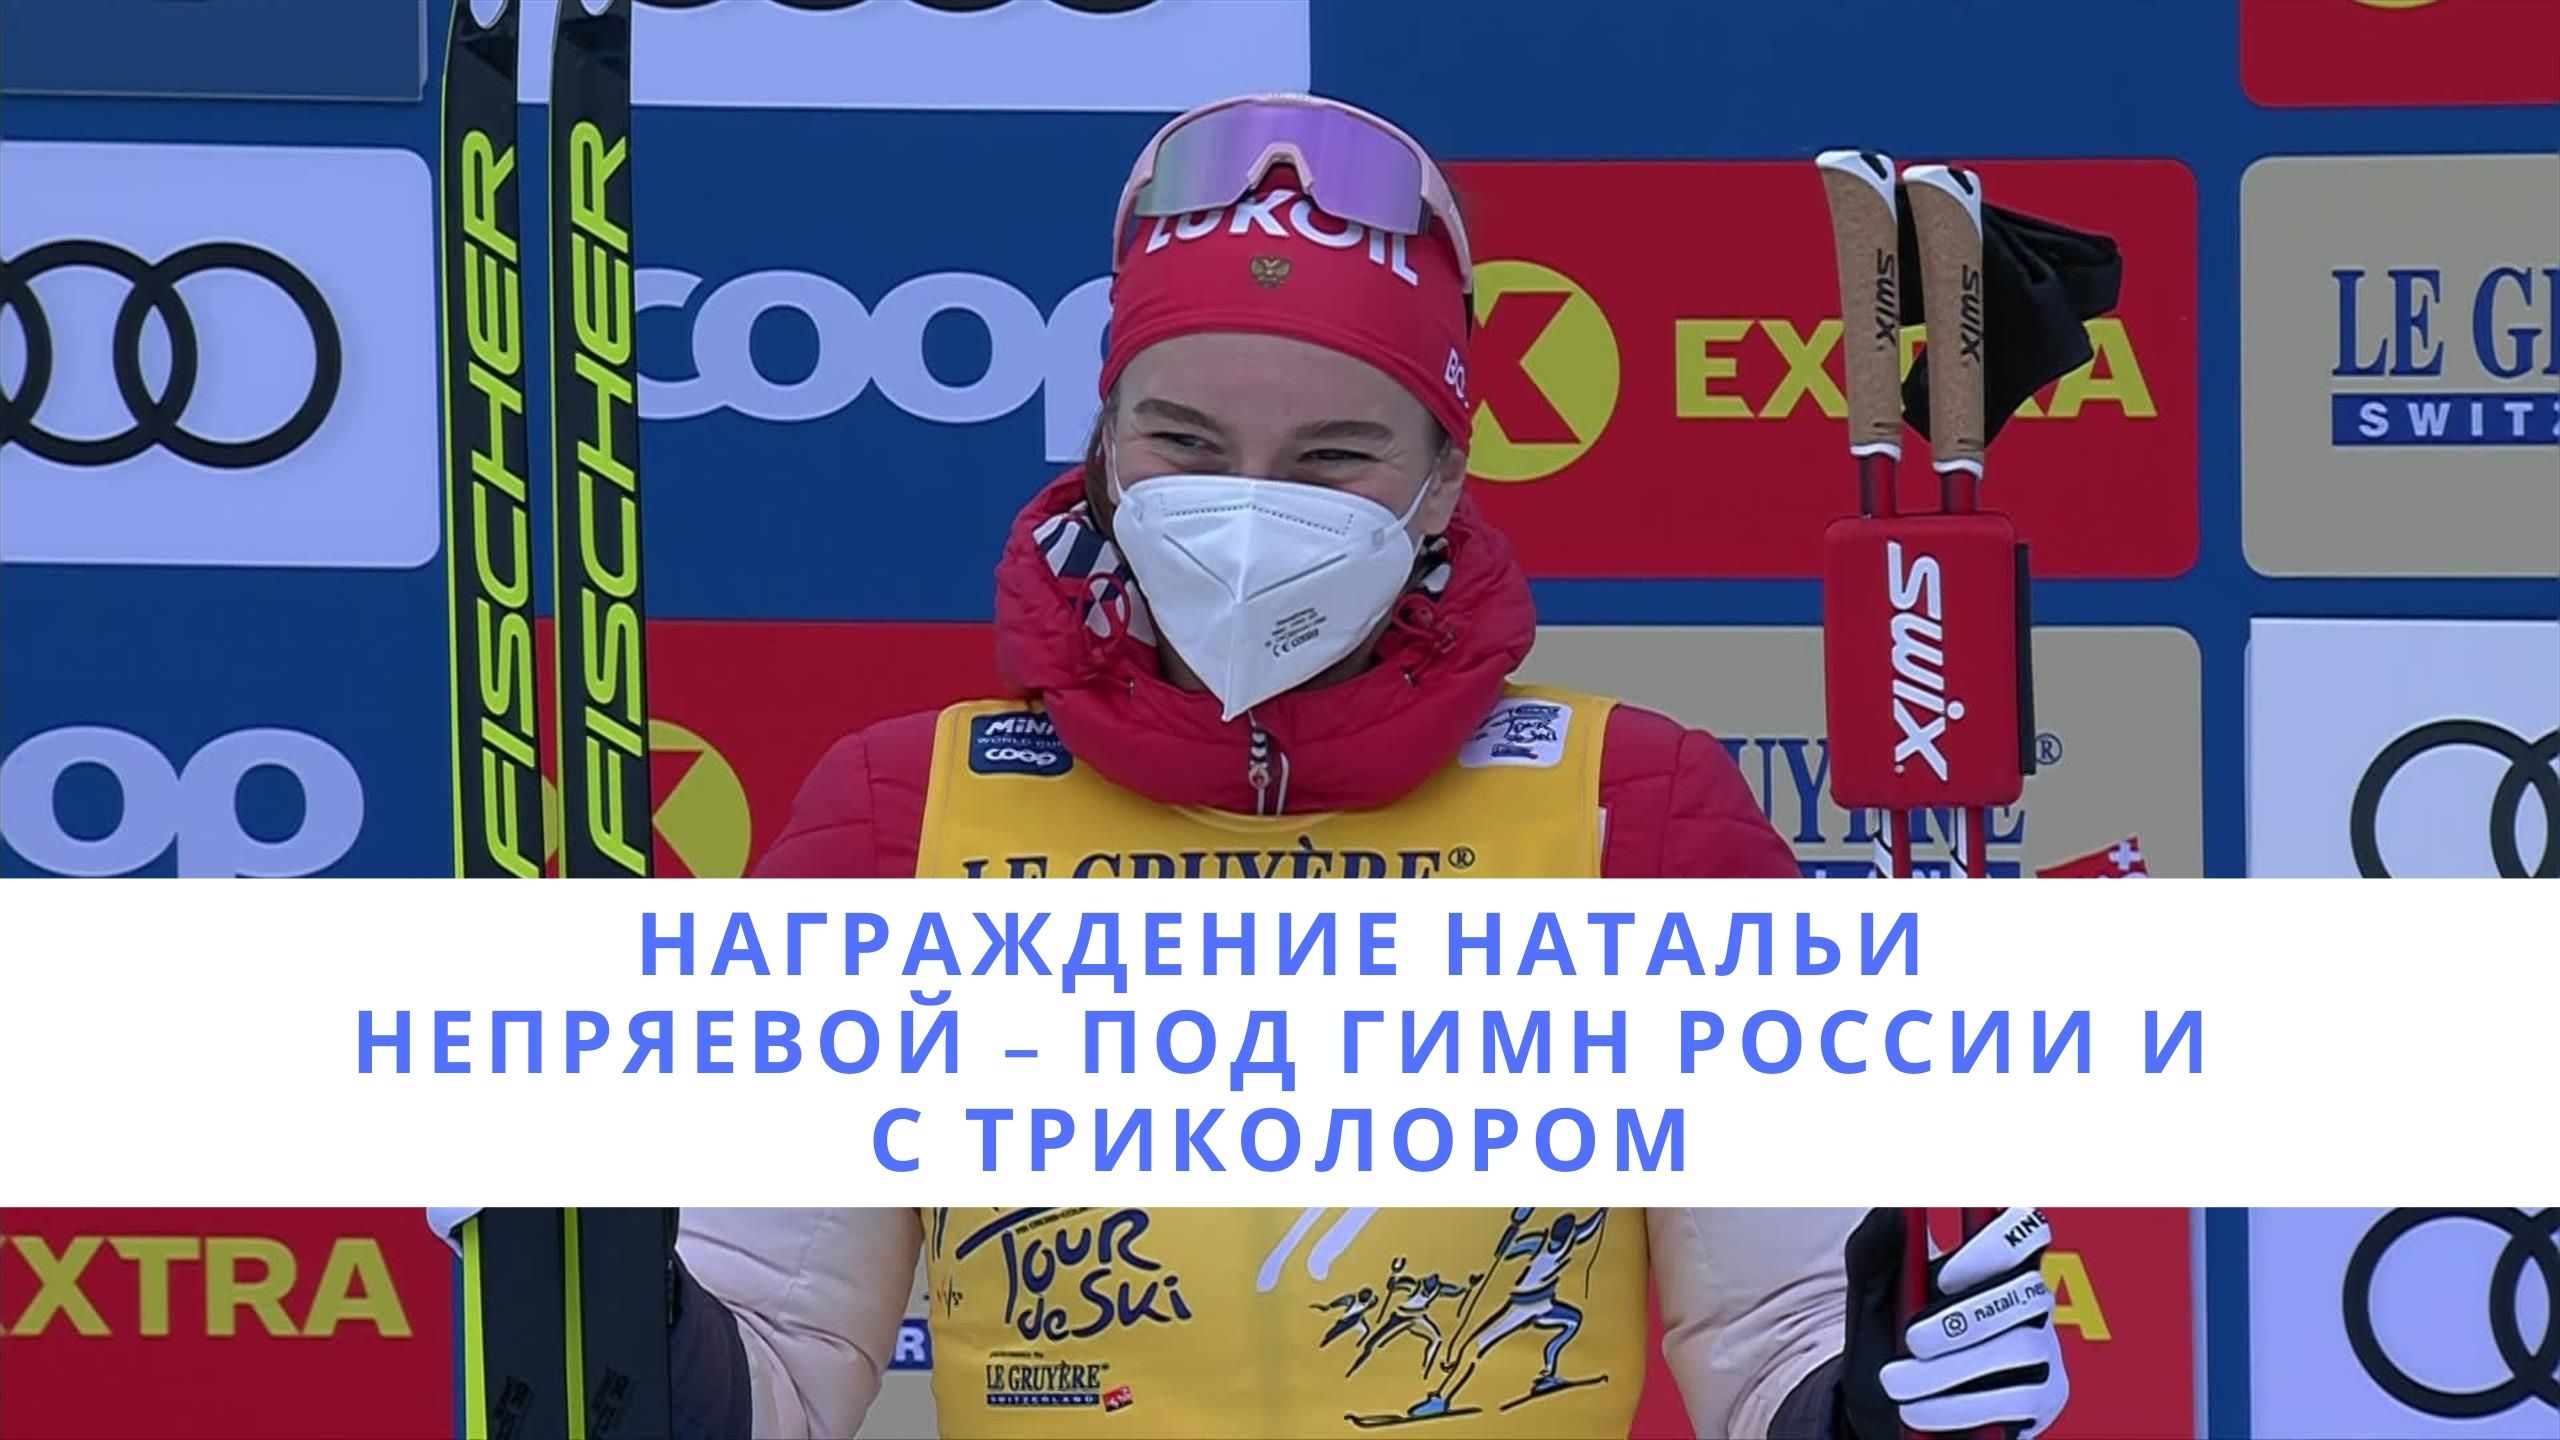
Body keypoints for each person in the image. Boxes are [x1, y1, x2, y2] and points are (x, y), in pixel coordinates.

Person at [450, 95, 2070, 1440]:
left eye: (1334, 457)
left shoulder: (1632, 816)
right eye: (1185, 444)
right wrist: (590, 1277)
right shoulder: (903, 817)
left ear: (1442, 479)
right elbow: (772, 1365)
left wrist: (1888, 1406)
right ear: (1105, 446)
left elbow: (1784, 1332)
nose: (1247, 511)